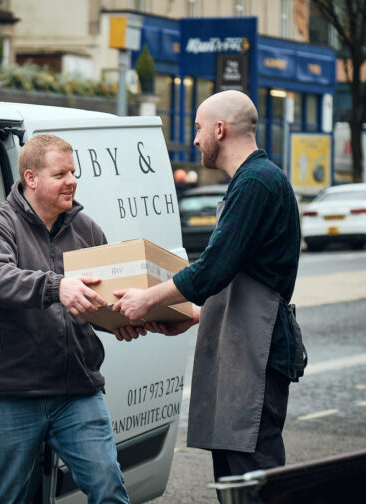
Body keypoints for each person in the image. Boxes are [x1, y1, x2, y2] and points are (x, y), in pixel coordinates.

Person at [111, 90, 304, 500]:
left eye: (198, 128)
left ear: (221, 129)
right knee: (235, 479)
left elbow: (214, 268)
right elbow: (244, 273)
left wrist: (147, 300)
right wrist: (196, 315)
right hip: (245, 346)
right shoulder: (253, 181)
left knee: (253, 484)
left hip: (257, 352)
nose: (195, 139)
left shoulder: (255, 183)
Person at [0, 134, 130, 504]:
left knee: (109, 490)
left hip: (77, 391)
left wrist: (123, 320)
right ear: (31, 178)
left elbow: (102, 296)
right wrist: (57, 287)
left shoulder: (87, 229)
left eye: (73, 172)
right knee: (8, 498)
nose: (71, 181)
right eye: (60, 174)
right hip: (12, 391)